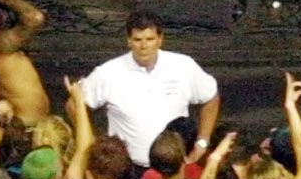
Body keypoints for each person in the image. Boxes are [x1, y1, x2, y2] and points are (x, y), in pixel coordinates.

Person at [79, 11, 220, 168]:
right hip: (128, 169)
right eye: (138, 40)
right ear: (129, 41)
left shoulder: (183, 66)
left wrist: (202, 141)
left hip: (174, 166)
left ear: (160, 39)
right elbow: (75, 103)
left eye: (150, 39)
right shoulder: (108, 73)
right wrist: (91, 143)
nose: (144, 46)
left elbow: (211, 98)